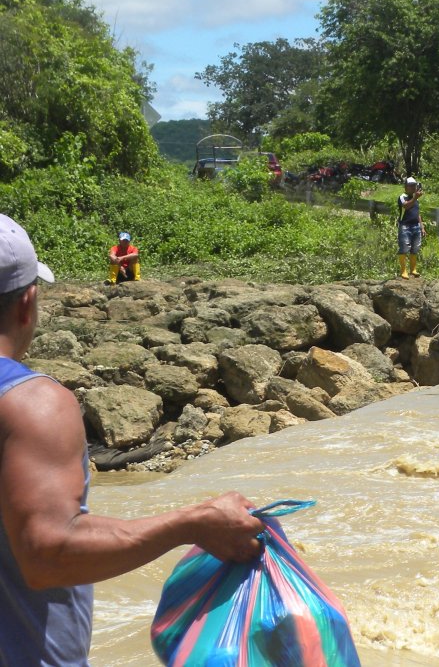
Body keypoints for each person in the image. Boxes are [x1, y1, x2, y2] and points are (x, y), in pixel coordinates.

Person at [0, 214, 264, 665]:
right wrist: (190, 524)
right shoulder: (31, 404)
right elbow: (47, 555)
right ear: (28, 302)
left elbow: (31, 525)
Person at [396, 177, 425, 279]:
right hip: (405, 226)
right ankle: (403, 270)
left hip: (416, 226)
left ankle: (413, 269)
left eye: (414, 185)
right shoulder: (402, 197)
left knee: (415, 247)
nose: (413, 187)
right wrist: (415, 198)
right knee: (404, 247)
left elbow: (418, 214)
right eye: (411, 185)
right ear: (406, 186)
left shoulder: (415, 198)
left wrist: (422, 227)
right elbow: (406, 206)